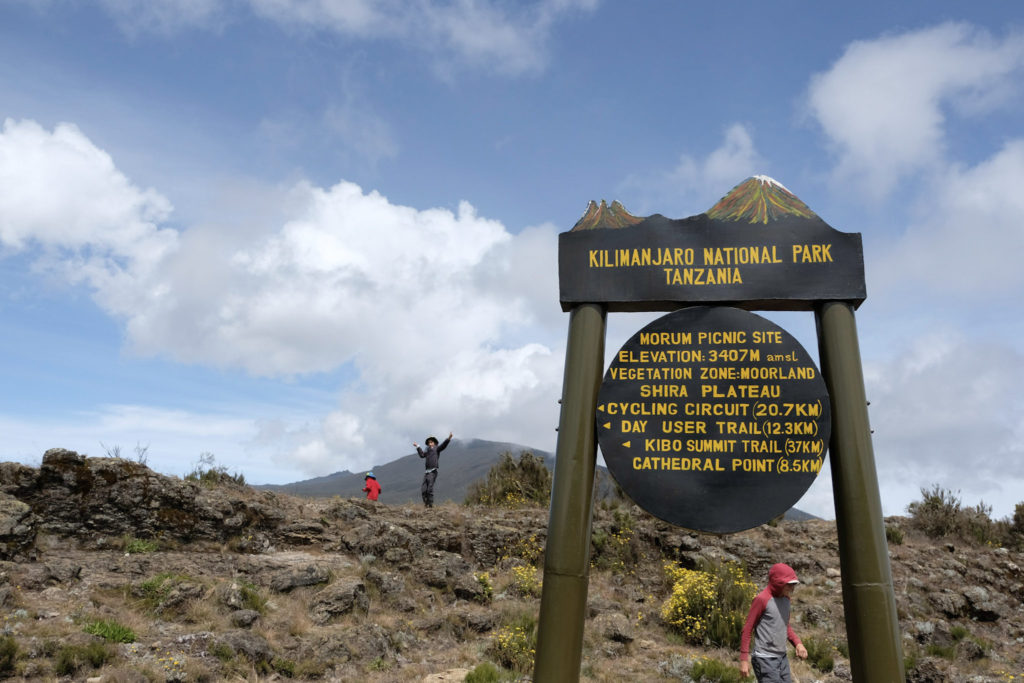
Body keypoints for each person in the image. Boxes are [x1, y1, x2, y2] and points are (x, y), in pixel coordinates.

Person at [739, 563, 808, 681]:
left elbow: (785, 625)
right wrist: (744, 660)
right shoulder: (762, 599)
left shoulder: (786, 600)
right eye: (789, 585)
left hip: (782, 658)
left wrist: (798, 643)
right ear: (778, 583)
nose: (792, 588)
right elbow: (747, 629)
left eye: (794, 584)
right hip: (764, 659)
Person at [413, 432, 452, 508]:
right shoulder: (427, 452)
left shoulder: (437, 449)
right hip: (426, 472)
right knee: (423, 490)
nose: (430, 444)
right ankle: (426, 504)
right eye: (429, 443)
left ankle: (430, 505)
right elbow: (421, 455)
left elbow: (443, 445)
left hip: (433, 471)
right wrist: (417, 446)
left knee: (429, 489)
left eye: (431, 442)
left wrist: (449, 438)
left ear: (434, 442)